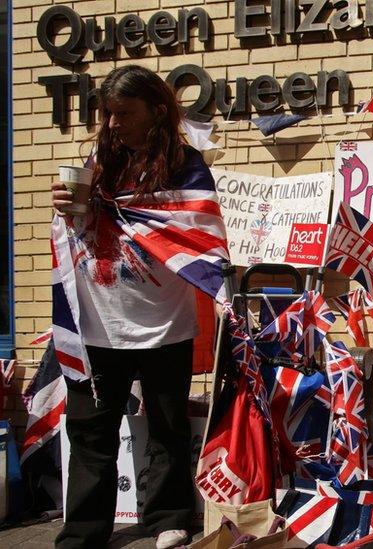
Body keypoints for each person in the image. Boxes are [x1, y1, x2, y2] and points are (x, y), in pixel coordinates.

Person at [51, 65, 208, 549]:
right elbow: (76, 228)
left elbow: (199, 229)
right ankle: (82, 531)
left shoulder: (187, 164)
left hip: (163, 320)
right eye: (108, 114)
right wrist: (65, 204)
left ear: (157, 111)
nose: (114, 123)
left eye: (125, 113)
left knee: (167, 426)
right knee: (91, 433)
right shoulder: (97, 160)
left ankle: (168, 519)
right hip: (98, 322)